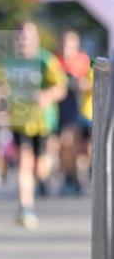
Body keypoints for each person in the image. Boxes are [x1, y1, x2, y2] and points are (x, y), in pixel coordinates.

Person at [2, 21, 67, 228]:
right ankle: (25, 208)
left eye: (27, 36)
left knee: (39, 169)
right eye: (20, 37)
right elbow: (0, 88)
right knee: (24, 164)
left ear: (36, 39)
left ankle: (46, 170)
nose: (23, 40)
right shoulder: (8, 62)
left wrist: (47, 94)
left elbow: (61, 89)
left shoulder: (45, 61)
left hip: (43, 123)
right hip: (19, 122)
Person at [56, 30, 92, 195]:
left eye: (69, 44)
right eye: (63, 43)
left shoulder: (84, 61)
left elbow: (92, 84)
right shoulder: (56, 61)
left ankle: (81, 176)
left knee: (85, 149)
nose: (66, 47)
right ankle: (71, 178)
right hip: (64, 111)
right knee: (67, 144)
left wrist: (79, 84)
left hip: (85, 110)